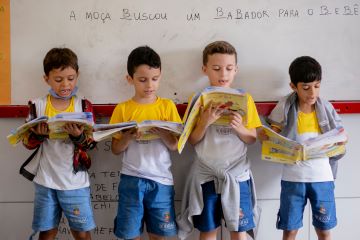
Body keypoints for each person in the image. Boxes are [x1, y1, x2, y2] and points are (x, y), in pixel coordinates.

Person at [177, 41, 262, 240]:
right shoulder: (198, 99)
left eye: (228, 68)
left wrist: (240, 127)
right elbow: (192, 140)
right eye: (216, 69)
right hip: (206, 175)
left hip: (237, 174)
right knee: (208, 231)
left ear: (236, 70)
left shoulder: (246, 99)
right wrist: (204, 122)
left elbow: (252, 139)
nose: (223, 74)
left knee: (239, 232)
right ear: (204, 69)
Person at [265, 56, 346, 240]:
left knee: (324, 230)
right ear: (293, 86)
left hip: (322, 178)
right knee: (290, 230)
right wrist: (267, 137)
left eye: (317, 86)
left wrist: (341, 141)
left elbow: (340, 136)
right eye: (306, 87)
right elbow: (272, 136)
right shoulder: (285, 105)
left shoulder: (326, 107)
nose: (312, 93)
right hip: (293, 179)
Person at [22, 48, 96, 240]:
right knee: (47, 232)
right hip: (46, 181)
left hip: (75, 182)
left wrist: (78, 136)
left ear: (77, 76)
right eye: (58, 79)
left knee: (81, 233)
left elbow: (90, 145)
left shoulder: (84, 106)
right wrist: (38, 136)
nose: (65, 84)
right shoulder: (37, 106)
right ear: (46, 79)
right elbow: (26, 143)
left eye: (71, 78)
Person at [110, 46, 181, 240]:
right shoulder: (122, 109)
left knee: (159, 235)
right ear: (129, 79)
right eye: (142, 80)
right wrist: (128, 136)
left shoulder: (167, 106)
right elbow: (115, 149)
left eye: (155, 79)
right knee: (130, 235)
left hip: (162, 180)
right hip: (131, 179)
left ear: (160, 76)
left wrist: (164, 133)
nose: (149, 85)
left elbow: (175, 146)